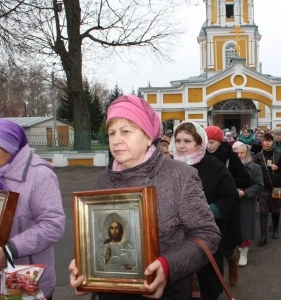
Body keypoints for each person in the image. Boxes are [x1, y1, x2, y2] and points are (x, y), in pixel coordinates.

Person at [69, 95, 221, 300]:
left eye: (125, 131)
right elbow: (102, 239)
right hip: (112, 293)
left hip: (168, 293)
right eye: (112, 132)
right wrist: (86, 266)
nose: (116, 140)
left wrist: (168, 266)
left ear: (149, 136)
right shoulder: (104, 179)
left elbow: (207, 236)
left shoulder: (181, 176)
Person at [169, 121, 239, 299]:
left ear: (200, 144)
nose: (181, 146)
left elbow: (230, 200)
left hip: (206, 235)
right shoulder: (168, 167)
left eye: (187, 141)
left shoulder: (214, 166)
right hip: (174, 236)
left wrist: (203, 211)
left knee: (206, 283)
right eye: (178, 141)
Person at [0, 119, 66, 300]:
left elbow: (53, 225)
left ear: (11, 148)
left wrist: (10, 250)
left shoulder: (39, 175)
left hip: (27, 279)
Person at [204, 125, 251, 287]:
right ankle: (214, 284)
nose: (209, 146)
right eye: (207, 142)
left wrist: (226, 180)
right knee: (209, 248)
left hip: (227, 205)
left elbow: (246, 179)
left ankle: (232, 263)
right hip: (208, 204)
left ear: (219, 142)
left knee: (227, 248)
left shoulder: (230, 156)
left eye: (212, 142)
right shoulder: (200, 156)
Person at [253, 133, 281, 243]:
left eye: (269, 140)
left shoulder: (279, 154)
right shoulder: (258, 156)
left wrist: (278, 168)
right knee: (263, 212)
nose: (267, 143)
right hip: (263, 188)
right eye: (265, 140)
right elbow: (254, 171)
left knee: (276, 212)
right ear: (262, 142)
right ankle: (263, 236)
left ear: (273, 142)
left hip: (276, 188)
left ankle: (275, 230)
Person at [235, 144, 263, 266]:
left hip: (247, 201)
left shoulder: (255, 168)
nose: (239, 155)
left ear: (247, 154)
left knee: (245, 227)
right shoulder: (230, 166)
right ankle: (235, 248)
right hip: (233, 200)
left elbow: (259, 185)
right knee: (234, 226)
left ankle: (244, 253)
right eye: (237, 153)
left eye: (242, 153)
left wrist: (245, 193)